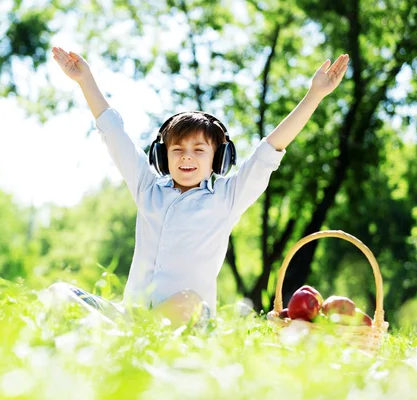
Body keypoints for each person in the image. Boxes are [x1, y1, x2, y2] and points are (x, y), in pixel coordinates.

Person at [46, 46, 349, 329]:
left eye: (199, 150)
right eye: (177, 149)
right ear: (162, 157)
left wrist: (315, 95)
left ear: (218, 159)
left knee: (190, 301)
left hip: (186, 319)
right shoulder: (147, 188)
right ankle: (122, 336)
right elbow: (114, 134)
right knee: (58, 293)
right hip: (131, 317)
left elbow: (269, 151)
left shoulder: (226, 198)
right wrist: (85, 80)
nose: (187, 156)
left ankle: (118, 339)